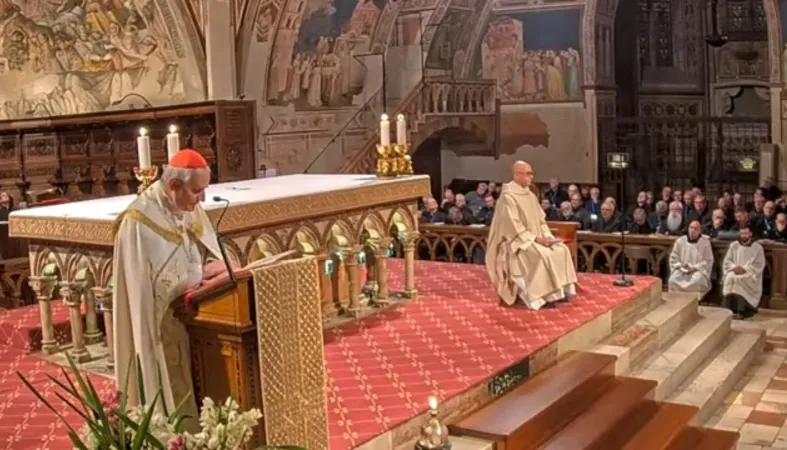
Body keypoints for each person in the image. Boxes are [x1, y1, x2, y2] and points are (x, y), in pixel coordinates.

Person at [113, 149, 232, 423]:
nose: (200, 198)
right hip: (158, 327)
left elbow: (203, 250)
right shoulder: (137, 222)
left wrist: (221, 267)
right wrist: (201, 275)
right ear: (174, 185)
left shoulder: (185, 206)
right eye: (195, 191)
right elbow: (150, 287)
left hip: (191, 321)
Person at [486, 161, 578, 310]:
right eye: (527, 173)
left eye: (531, 173)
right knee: (543, 255)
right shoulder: (508, 197)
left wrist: (547, 236)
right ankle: (539, 298)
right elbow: (513, 226)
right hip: (517, 241)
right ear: (516, 174)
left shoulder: (530, 194)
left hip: (536, 238)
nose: (531, 176)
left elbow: (541, 220)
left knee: (562, 250)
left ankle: (558, 293)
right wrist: (535, 239)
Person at [721, 225, 766, 319]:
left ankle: (742, 310)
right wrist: (734, 267)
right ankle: (728, 309)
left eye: (746, 233)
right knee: (730, 277)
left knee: (742, 279)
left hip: (750, 273)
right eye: (742, 233)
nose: (743, 235)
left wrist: (744, 269)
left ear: (750, 234)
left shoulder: (757, 248)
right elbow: (727, 261)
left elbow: (759, 264)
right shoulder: (734, 245)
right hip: (735, 271)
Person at [668, 220, 714, 295]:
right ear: (688, 229)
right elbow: (673, 258)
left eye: (696, 228)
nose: (693, 230)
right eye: (691, 227)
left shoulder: (705, 243)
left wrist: (695, 267)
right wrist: (680, 266)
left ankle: (695, 301)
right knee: (672, 280)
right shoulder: (680, 241)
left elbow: (708, 260)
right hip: (682, 270)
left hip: (697, 271)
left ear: (700, 231)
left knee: (697, 281)